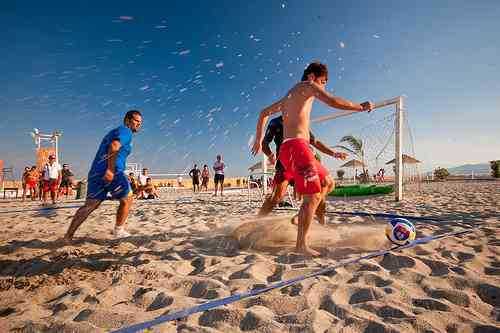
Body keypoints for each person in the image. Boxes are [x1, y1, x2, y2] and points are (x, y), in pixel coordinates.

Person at [251, 62, 372, 256]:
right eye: (322, 82)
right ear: (312, 77)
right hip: (296, 148)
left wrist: (257, 138)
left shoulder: (289, 96)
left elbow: (263, 112)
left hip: (295, 149)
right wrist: (360, 106)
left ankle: (302, 216)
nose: (322, 87)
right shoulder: (307, 86)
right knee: (309, 196)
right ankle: (300, 245)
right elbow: (332, 101)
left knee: (328, 182)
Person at [63, 110, 142, 241]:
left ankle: (68, 236)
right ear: (128, 120)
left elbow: (113, 149)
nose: (138, 124)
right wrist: (111, 170)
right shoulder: (125, 131)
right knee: (128, 198)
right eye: (136, 121)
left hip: (96, 172)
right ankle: (119, 230)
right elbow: (114, 146)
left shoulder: (115, 131)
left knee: (90, 205)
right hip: (112, 171)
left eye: (140, 122)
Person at [258, 115, 348, 223]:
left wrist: (333, 153)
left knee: (319, 191)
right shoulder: (275, 122)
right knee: (276, 198)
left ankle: (321, 224)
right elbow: (264, 144)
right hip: (285, 164)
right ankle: (256, 221)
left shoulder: (300, 121)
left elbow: (315, 142)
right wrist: (270, 155)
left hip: (303, 163)